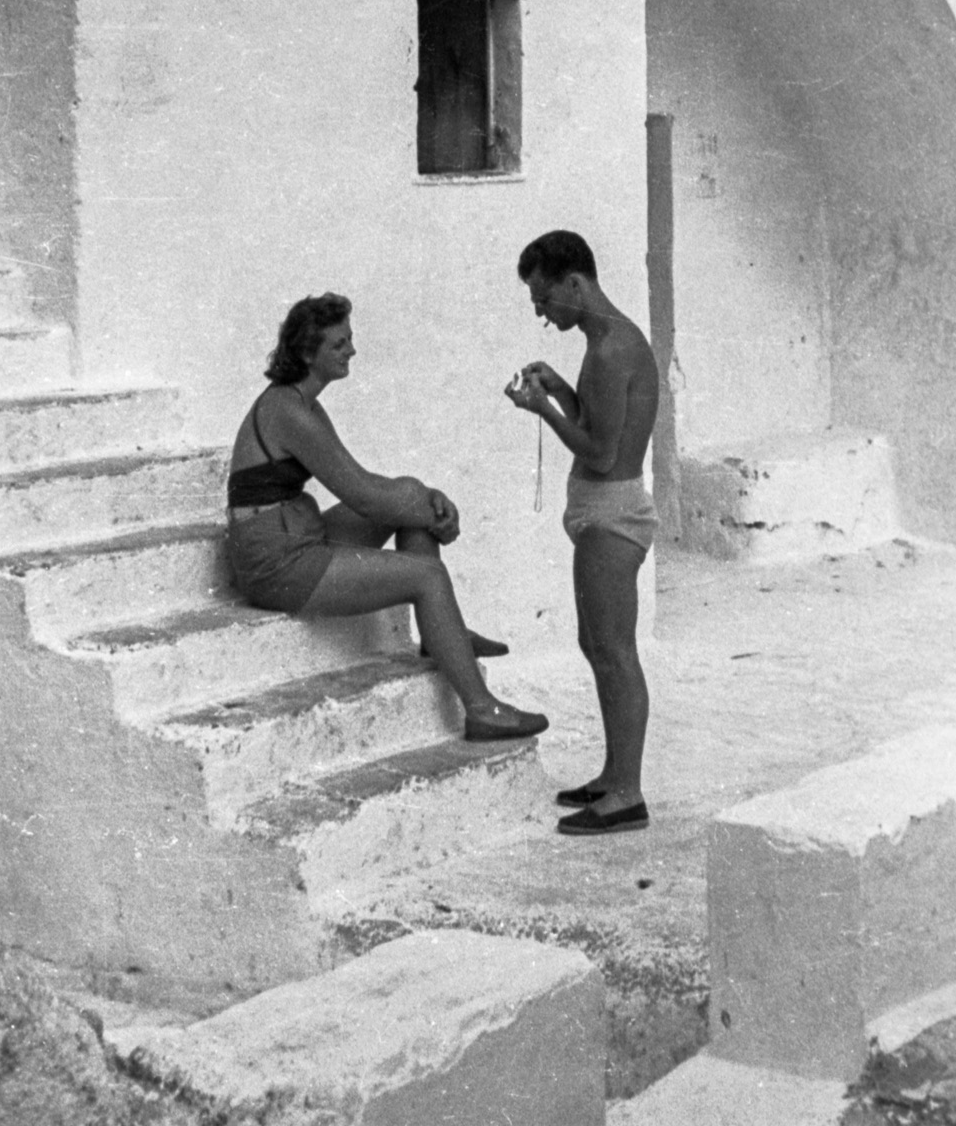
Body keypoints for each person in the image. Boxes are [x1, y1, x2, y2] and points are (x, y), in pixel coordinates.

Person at [228, 293, 547, 743]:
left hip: (294, 535)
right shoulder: (287, 411)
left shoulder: (303, 404)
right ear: (306, 352)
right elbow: (364, 496)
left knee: (410, 498)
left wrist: (426, 500)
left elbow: (368, 486)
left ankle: (439, 637)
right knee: (428, 576)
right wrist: (432, 509)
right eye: (339, 345)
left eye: (350, 341)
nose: (352, 351)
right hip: (275, 563)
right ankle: (482, 709)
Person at [505, 231, 658, 833]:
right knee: (596, 647)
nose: (542, 314)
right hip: (601, 512)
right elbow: (599, 424)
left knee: (615, 652)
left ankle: (627, 794)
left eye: (545, 300)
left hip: (612, 516)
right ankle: (613, 775)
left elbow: (598, 453)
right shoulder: (600, 344)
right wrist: (563, 392)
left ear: (575, 283)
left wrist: (542, 409)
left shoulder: (613, 348)